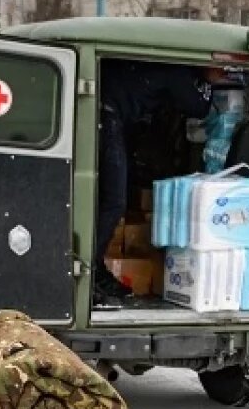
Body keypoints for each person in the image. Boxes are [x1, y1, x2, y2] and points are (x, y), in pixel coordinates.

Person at [94, 62, 227, 308]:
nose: (225, 71)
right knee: (113, 201)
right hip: (106, 115)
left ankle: (93, 267)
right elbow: (198, 107)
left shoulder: (166, 70)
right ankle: (90, 273)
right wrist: (210, 81)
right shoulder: (178, 72)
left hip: (108, 114)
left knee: (108, 198)